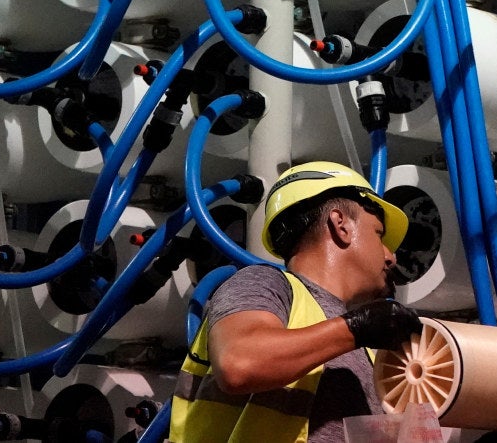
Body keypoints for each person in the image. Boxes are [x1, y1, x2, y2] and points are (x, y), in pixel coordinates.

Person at [171, 162, 425, 443]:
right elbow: (239, 363)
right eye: (379, 234)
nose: (391, 257)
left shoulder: (366, 349)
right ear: (340, 224)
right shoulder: (264, 284)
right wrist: (357, 327)